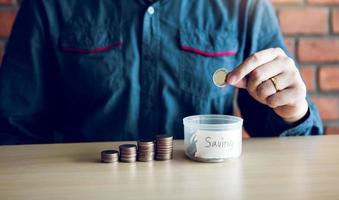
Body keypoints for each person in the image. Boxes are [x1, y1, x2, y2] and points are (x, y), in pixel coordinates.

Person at [0, 0, 323, 145]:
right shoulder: (48, 5)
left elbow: (282, 138)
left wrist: (294, 113)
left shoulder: (244, 5)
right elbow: (13, 130)